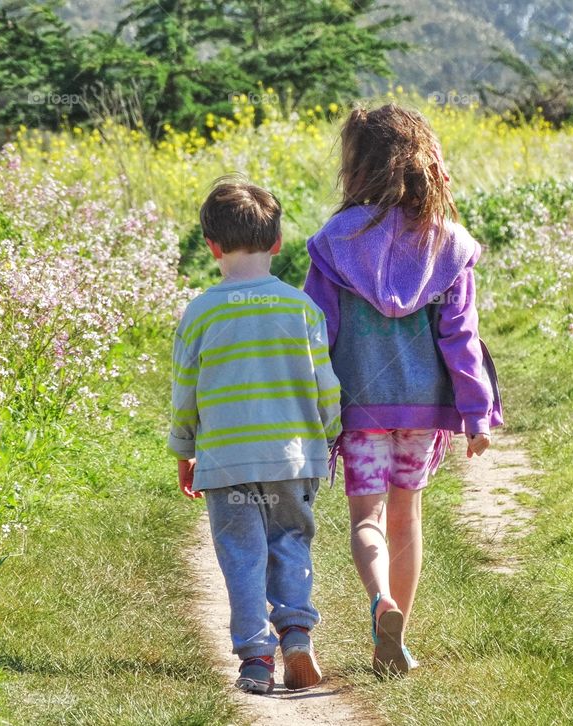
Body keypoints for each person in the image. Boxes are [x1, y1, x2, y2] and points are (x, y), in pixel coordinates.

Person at [304, 104, 502, 675]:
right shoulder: (449, 245)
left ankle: (378, 602)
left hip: (359, 410)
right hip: (422, 412)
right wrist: (477, 413)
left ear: (357, 167)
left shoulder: (335, 241)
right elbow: (461, 337)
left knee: (366, 520)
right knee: (406, 517)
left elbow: (318, 333)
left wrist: (314, 407)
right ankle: (397, 641)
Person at [169, 175, 342, 693]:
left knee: (243, 554)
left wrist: (185, 449)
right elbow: (325, 384)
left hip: (228, 464)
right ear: (277, 243)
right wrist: (329, 434)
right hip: (293, 459)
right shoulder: (300, 308)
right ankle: (296, 635)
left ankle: (255, 662)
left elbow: (186, 394)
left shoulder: (200, 313)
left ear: (211, 246)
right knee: (291, 541)